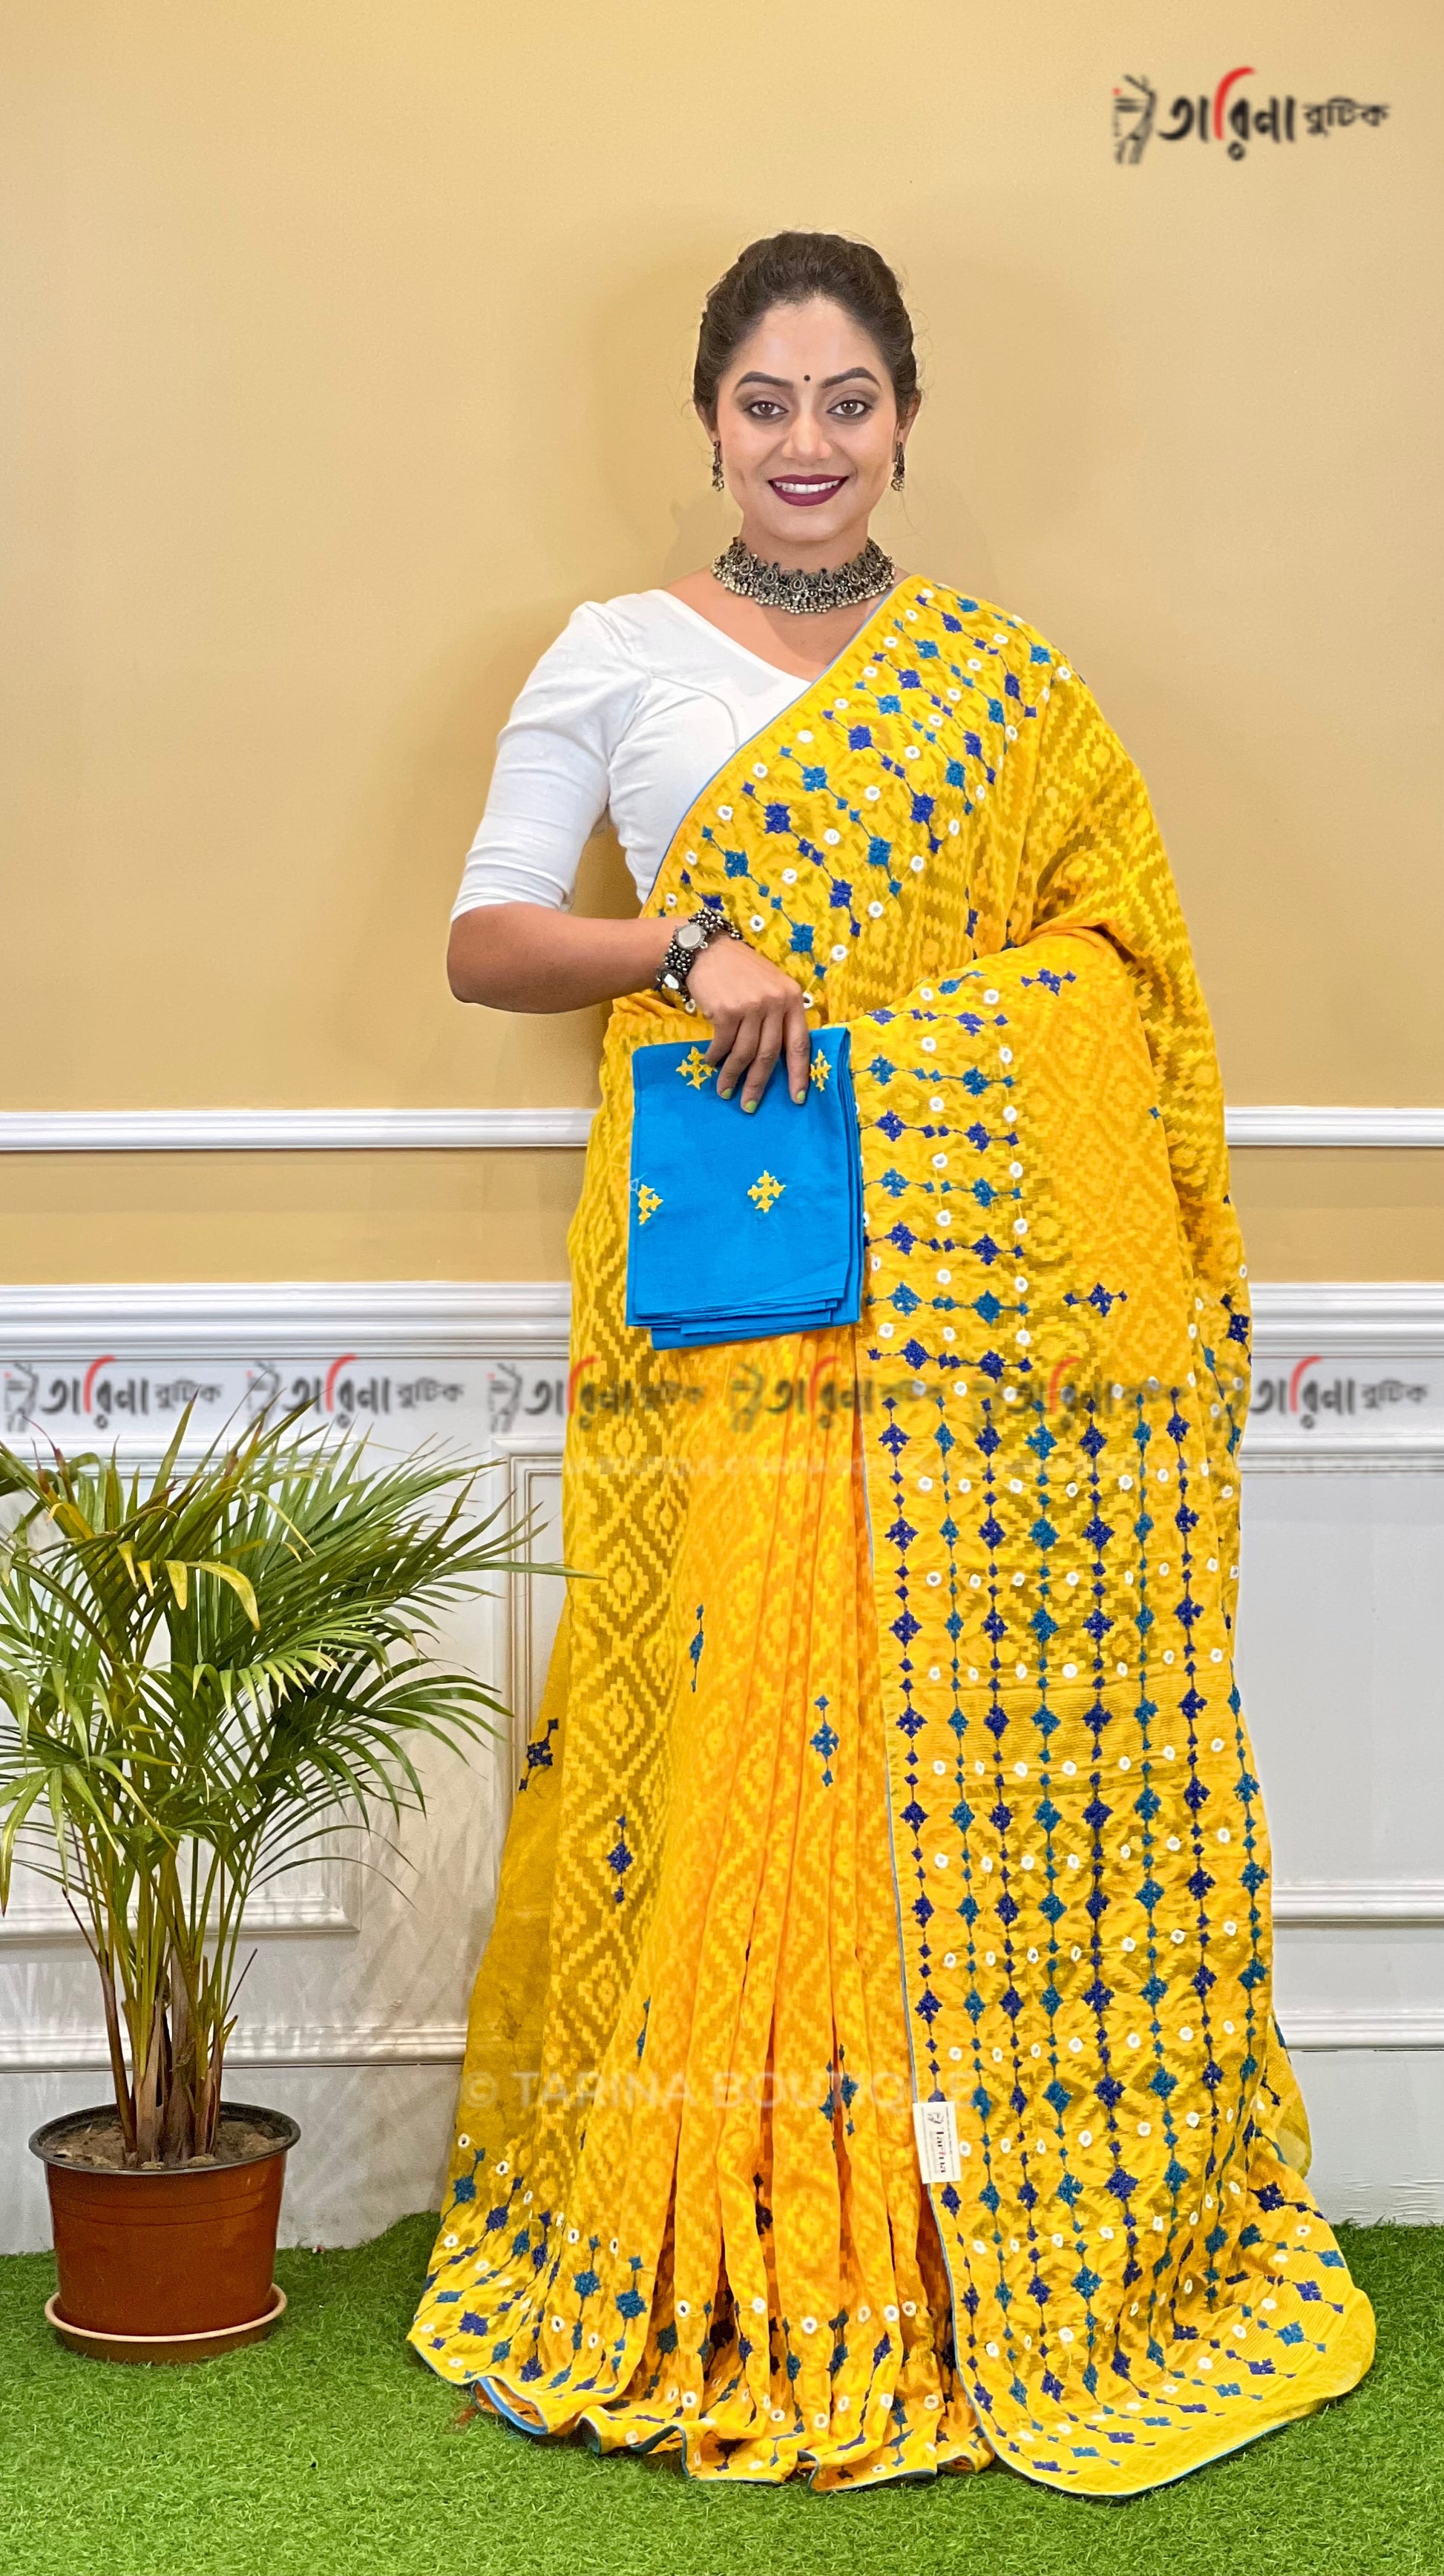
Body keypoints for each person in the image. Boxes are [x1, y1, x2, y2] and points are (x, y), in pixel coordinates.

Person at [410, 231, 1374, 2493]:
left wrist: (922, 1049)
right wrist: (688, 945)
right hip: (734, 1283)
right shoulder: (613, 654)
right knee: (741, 1743)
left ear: (906, 422)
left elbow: (1116, 967)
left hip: (981, 1336)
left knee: (933, 1760)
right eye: (766, 400)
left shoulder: (1005, 692)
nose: (807, 441)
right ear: (708, 421)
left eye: (847, 400)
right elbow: (485, 943)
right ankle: (731, 2250)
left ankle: (964, 2268)